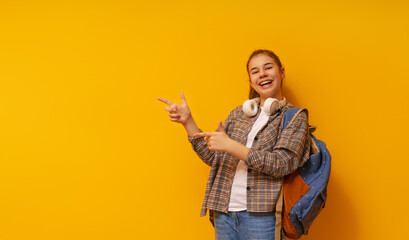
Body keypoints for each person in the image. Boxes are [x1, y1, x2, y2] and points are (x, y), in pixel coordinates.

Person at [157, 49, 311, 240]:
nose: (262, 74)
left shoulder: (294, 117)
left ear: (281, 72)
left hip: (262, 216)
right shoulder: (239, 114)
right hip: (224, 212)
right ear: (251, 81)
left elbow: (282, 163)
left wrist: (231, 145)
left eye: (268, 67)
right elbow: (215, 158)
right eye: (255, 71)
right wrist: (188, 122)